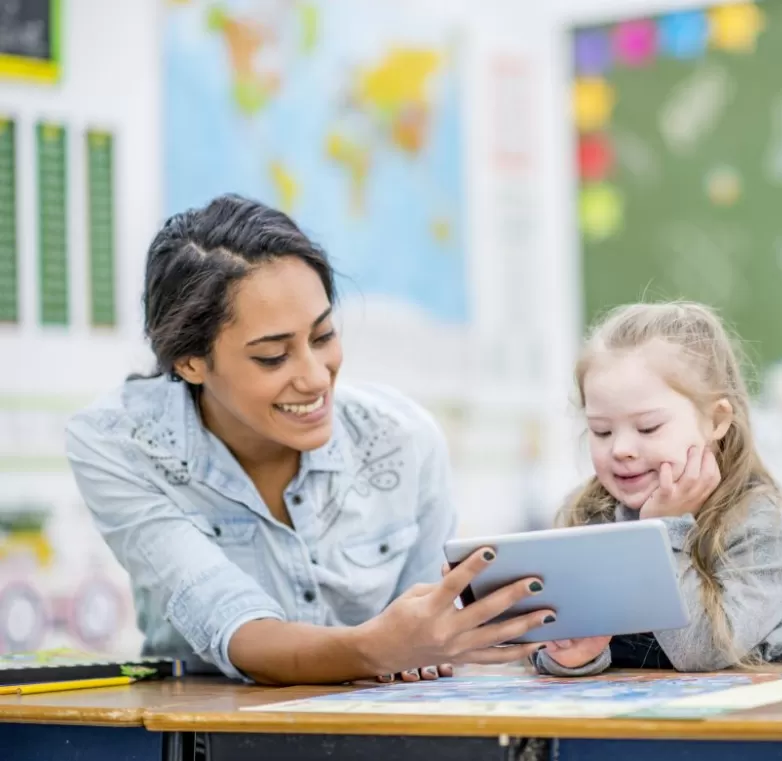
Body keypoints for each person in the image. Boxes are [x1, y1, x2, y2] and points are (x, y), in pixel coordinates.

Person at [65, 194, 556, 685]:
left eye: (322, 337)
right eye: (273, 356)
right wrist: (376, 649)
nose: (316, 377)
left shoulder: (403, 441)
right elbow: (232, 624)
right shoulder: (119, 444)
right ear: (191, 362)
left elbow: (427, 646)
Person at [533, 302, 782, 676]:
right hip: (625, 728)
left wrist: (662, 530)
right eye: (601, 431)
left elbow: (703, 652)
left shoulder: (767, 528)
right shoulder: (588, 515)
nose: (621, 448)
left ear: (716, 420)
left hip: (746, 727)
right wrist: (573, 655)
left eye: (648, 428)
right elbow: (542, 644)